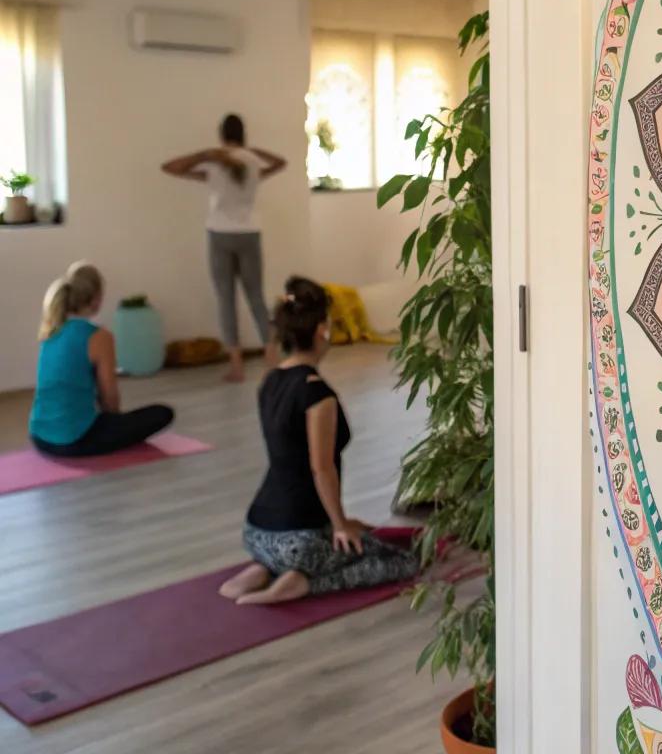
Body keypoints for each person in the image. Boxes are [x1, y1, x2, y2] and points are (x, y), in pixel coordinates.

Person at [219, 276, 419, 605]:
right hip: (299, 539)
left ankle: (263, 568)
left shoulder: (269, 382)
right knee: (402, 562)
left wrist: (341, 522)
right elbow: (320, 469)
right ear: (322, 329)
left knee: (361, 534)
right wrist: (340, 526)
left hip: (255, 529)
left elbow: (290, 460)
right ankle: (302, 583)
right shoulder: (317, 394)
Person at [161, 115, 285, 383]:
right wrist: (253, 151)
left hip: (219, 235)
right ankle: (272, 358)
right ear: (244, 134)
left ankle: (237, 367)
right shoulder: (252, 162)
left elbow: (169, 167)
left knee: (226, 300)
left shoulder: (214, 162)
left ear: (221, 134)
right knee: (256, 297)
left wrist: (205, 154)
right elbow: (280, 163)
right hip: (250, 235)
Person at [29, 262, 175, 457]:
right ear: (96, 300)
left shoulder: (51, 331)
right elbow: (110, 400)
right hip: (73, 441)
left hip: (39, 438)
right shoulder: (100, 337)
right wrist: (115, 426)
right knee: (163, 413)